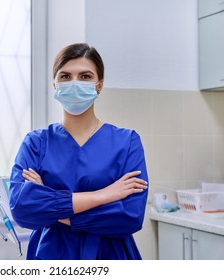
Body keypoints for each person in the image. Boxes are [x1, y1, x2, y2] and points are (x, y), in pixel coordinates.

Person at [9, 43, 149, 260]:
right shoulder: (36, 143)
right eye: (65, 76)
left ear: (99, 85)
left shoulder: (127, 141)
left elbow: (129, 216)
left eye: (85, 76)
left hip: (110, 255)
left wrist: (54, 208)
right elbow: (22, 210)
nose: (74, 83)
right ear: (55, 84)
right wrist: (104, 195)